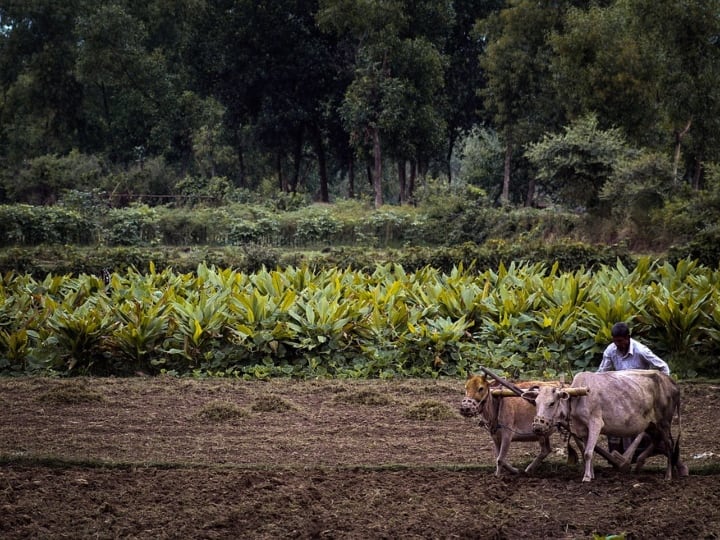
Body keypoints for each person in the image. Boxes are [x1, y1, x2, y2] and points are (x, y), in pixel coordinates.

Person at [598, 322, 670, 456]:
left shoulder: (641, 351)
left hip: (640, 395)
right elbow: (602, 372)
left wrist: (663, 390)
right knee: (613, 421)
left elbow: (663, 367)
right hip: (620, 393)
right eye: (615, 341)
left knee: (644, 427)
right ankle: (618, 454)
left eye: (620, 341)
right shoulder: (611, 350)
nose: (618, 345)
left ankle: (642, 451)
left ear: (628, 338)